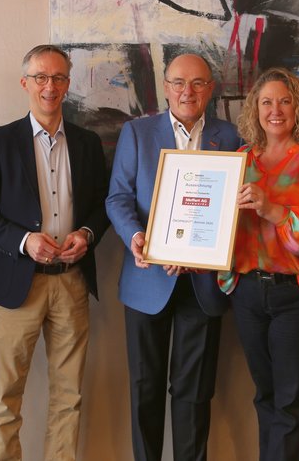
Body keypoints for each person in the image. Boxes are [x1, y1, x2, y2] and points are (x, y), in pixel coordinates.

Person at [0, 44, 109, 461]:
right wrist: (24, 240)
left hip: (72, 283)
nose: (50, 86)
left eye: (59, 77)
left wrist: (87, 232)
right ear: (25, 83)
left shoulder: (86, 141)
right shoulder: (0, 141)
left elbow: (102, 203)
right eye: (41, 78)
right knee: (6, 397)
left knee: (69, 396)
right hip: (16, 285)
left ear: (68, 83)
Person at [105, 53, 243, 461]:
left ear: (210, 89)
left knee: (194, 392)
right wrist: (136, 237)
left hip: (203, 285)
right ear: (165, 87)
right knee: (145, 387)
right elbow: (117, 198)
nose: (188, 91)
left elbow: (232, 213)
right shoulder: (137, 133)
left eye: (198, 83)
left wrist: (204, 247)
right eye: (179, 82)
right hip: (148, 280)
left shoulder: (230, 137)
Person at [217, 67, 299, 461]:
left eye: (284, 101)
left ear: (298, 107)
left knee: (290, 404)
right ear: (254, 109)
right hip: (248, 292)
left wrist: (273, 209)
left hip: (297, 294)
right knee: (266, 397)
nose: (275, 110)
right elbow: (220, 228)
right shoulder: (240, 159)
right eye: (266, 102)